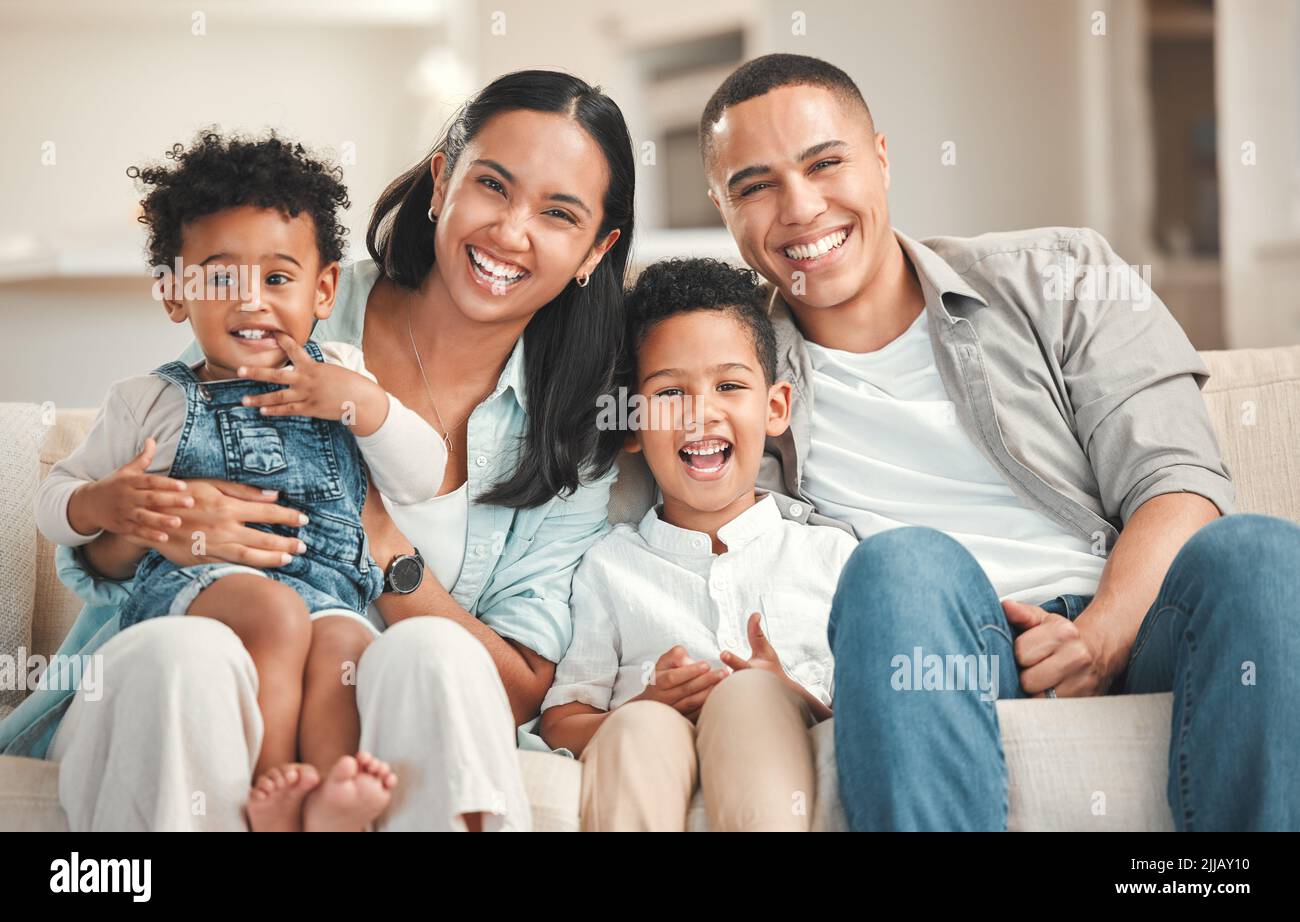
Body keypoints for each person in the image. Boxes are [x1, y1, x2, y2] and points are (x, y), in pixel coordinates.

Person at [1, 69, 636, 832]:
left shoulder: (573, 430)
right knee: (185, 659)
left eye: (558, 213)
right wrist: (153, 522)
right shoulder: (287, 294)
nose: (509, 231)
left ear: (596, 248)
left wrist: (378, 540)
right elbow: (114, 532)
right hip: (193, 652)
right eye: (492, 186)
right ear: (442, 181)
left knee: (434, 652)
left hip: (367, 679)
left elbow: (518, 685)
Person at [697, 53, 1300, 830]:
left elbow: (1178, 478)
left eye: (826, 164)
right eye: (755, 186)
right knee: (902, 564)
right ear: (723, 207)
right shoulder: (729, 370)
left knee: (1262, 554)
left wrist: (1101, 634)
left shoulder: (1060, 274)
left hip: (1137, 615)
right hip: (928, 636)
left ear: (880, 159)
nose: (802, 207)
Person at [33, 132, 448, 830]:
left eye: (279, 279)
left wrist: (365, 403)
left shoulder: (344, 370)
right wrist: (103, 502)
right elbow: (53, 503)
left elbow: (421, 476)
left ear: (324, 290)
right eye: (219, 279)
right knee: (273, 615)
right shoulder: (150, 401)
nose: (251, 301)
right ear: (173, 294)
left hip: (328, 590)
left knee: (347, 651)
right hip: (199, 593)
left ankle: (324, 795)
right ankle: (273, 789)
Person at [540, 258, 856, 831]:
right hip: (648, 750)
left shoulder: (832, 559)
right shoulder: (609, 570)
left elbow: (873, 721)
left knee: (752, 698)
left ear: (775, 407)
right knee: (639, 727)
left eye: (730, 386)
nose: (699, 413)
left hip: (782, 752)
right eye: (668, 393)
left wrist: (792, 695)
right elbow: (561, 721)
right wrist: (646, 703)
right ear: (631, 424)